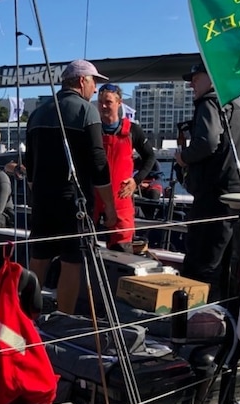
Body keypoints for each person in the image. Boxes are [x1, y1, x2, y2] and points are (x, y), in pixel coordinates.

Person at [24, 59, 115, 314]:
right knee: (71, 262)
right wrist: (108, 205)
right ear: (82, 81)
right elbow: (99, 162)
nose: (95, 89)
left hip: (42, 199)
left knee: (39, 259)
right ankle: (63, 319)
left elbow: (29, 163)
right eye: (94, 81)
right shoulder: (87, 112)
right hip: (72, 200)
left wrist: (38, 191)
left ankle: (24, 318)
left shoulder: (37, 113)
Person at [174, 62, 240, 299]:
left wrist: (184, 157)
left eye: (195, 78)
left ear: (212, 78)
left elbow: (208, 141)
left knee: (202, 266)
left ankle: (196, 326)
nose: (191, 83)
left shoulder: (210, 102)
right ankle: (226, 321)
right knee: (231, 269)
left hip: (216, 198)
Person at [95, 82, 156, 252]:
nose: (104, 106)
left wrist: (136, 180)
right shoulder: (93, 130)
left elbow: (150, 156)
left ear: (119, 102)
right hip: (95, 199)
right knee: (84, 254)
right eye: (100, 102)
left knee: (121, 252)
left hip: (121, 199)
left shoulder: (132, 130)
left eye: (108, 102)